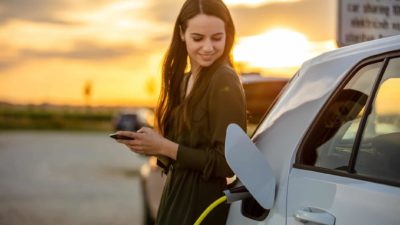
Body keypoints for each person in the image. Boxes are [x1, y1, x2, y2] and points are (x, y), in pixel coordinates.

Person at [115, 0, 246, 224]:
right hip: (174, 197)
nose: (208, 47)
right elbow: (184, 151)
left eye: (217, 38)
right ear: (182, 33)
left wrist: (163, 146)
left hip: (202, 205)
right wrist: (151, 144)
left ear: (228, 34)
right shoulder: (184, 81)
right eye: (198, 38)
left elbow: (227, 163)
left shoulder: (224, 79)